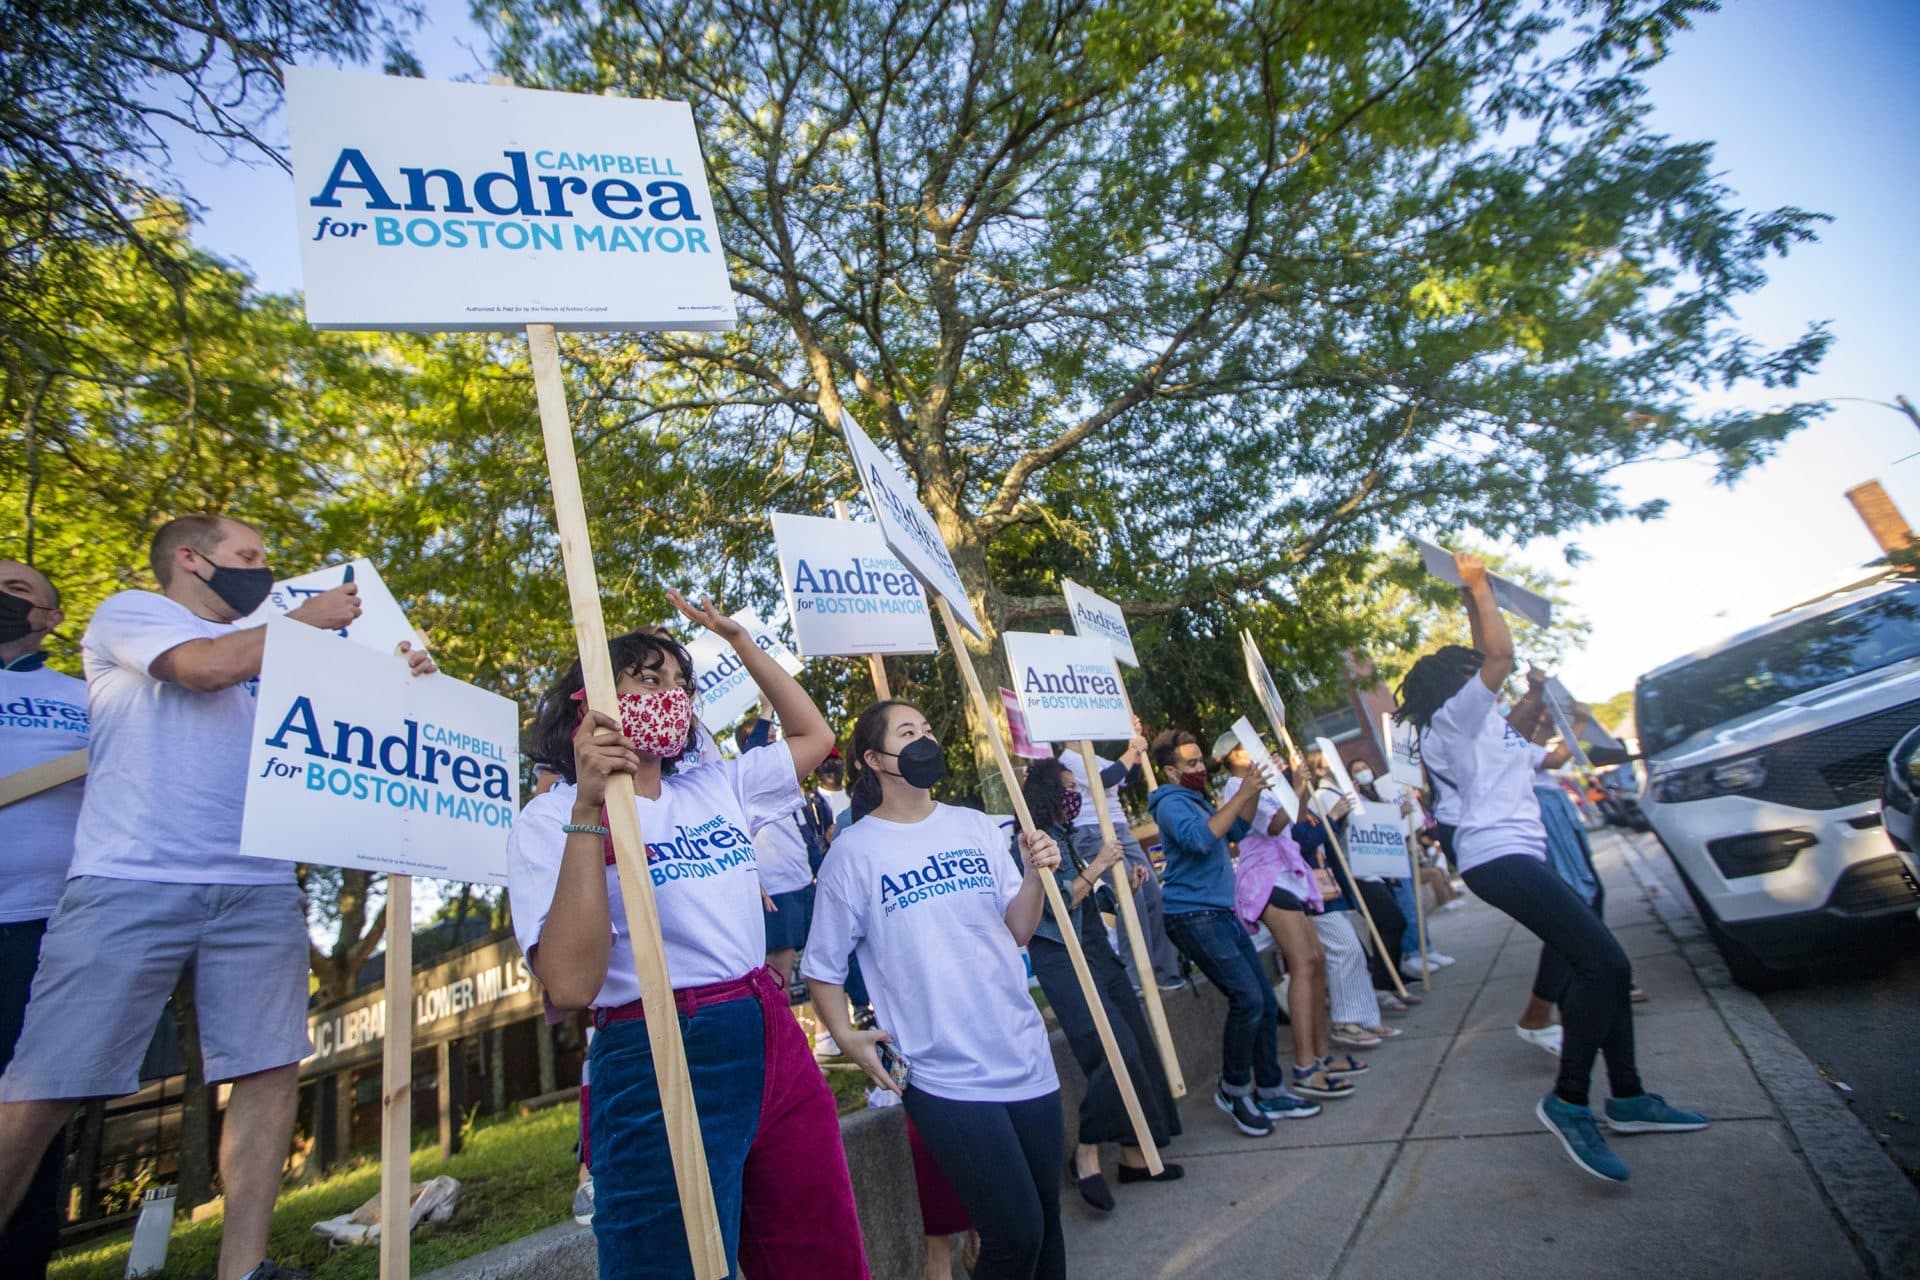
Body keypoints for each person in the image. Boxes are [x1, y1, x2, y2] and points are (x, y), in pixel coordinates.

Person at [0, 516, 432, 1280]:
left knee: (268, 1070)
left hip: (259, 885)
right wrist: (300, 625)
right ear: (191, 560)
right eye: (249, 557)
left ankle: (245, 1267)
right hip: (132, 881)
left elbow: (354, 724)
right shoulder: (133, 612)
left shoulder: (280, 642)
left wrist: (403, 678)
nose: (264, 571)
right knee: (48, 1085)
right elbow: (201, 668)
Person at [509, 595, 867, 1279]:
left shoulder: (716, 786)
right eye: (648, 680)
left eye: (682, 684)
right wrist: (590, 810)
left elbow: (815, 739)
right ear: (593, 699)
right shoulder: (546, 820)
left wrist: (740, 643)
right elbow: (571, 983)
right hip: (656, 1046)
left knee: (817, 1247)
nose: (670, 696)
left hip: (768, 1032)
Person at [1395, 551, 1707, 1183]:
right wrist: (1478, 586)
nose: (1499, 685)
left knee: (1603, 963)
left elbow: (1540, 744)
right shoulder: (1449, 726)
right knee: (1606, 963)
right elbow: (1498, 658)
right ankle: (1568, 1100)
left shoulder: (1489, 733)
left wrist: (1542, 696)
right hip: (1495, 859)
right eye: (1481, 675)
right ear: (1458, 681)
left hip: (1518, 857)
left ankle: (1628, 1096)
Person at [804, 700, 1067, 1280]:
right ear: (873, 759)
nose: (924, 738)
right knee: (1014, 1233)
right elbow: (820, 965)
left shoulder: (976, 825)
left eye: (926, 728)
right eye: (907, 732)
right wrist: (848, 1038)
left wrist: (1033, 875)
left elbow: (1017, 929)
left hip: (1024, 1052)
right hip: (939, 1073)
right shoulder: (854, 851)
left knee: (1046, 1228)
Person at [1019, 759, 1184, 1211]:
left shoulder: (1069, 836)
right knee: (1114, 1050)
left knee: (1138, 1046)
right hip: (1064, 960)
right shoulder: (1032, 843)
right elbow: (1056, 905)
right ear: (1048, 794)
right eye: (1069, 788)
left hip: (1097, 950)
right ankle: (1087, 1149)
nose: (1076, 797)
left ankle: (1136, 1155)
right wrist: (1099, 865)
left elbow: (1089, 897)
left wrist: (1120, 887)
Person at [1146, 729, 1321, 1137]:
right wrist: (1242, 794)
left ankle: (1271, 1089)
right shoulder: (1170, 804)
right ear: (1170, 770)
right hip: (1192, 915)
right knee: (1248, 998)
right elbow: (1201, 840)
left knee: (1258, 995)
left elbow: (1238, 833)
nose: (1199, 768)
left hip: (1219, 912)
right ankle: (1234, 1088)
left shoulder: (1196, 798)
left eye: (1199, 760)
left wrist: (1256, 789)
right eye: (1190, 764)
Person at [0, 560, 85, 1278]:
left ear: (50, 619)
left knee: (32, 1100)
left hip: (43, 926)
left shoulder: (80, 697)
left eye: (17, 589)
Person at [1213, 734, 1361, 1100]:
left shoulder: (1267, 780)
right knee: (1302, 963)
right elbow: (1274, 825)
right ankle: (1305, 1065)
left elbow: (1293, 819)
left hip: (1288, 874)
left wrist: (1300, 788)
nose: (1259, 748)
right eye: (1247, 745)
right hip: (1265, 878)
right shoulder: (1238, 785)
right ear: (1231, 757)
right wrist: (1293, 786)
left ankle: (1322, 1057)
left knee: (1316, 960)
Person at [1057, 729, 1185, 992]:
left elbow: (1127, 775)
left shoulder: (1097, 757)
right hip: (1093, 832)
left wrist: (1135, 750)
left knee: (1150, 892)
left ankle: (1164, 970)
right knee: (1130, 897)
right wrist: (1133, 750)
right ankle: (1134, 976)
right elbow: (1105, 779)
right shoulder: (1068, 761)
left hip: (1120, 828)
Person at [735, 711, 817, 986]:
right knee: (779, 968)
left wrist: (820, 871)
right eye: (766, 739)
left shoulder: (791, 782)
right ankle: (777, 1025)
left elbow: (806, 833)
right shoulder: (749, 781)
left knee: (818, 962)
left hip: (804, 882)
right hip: (777, 889)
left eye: (775, 738)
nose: (774, 745)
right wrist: (766, 709)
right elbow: (755, 750)